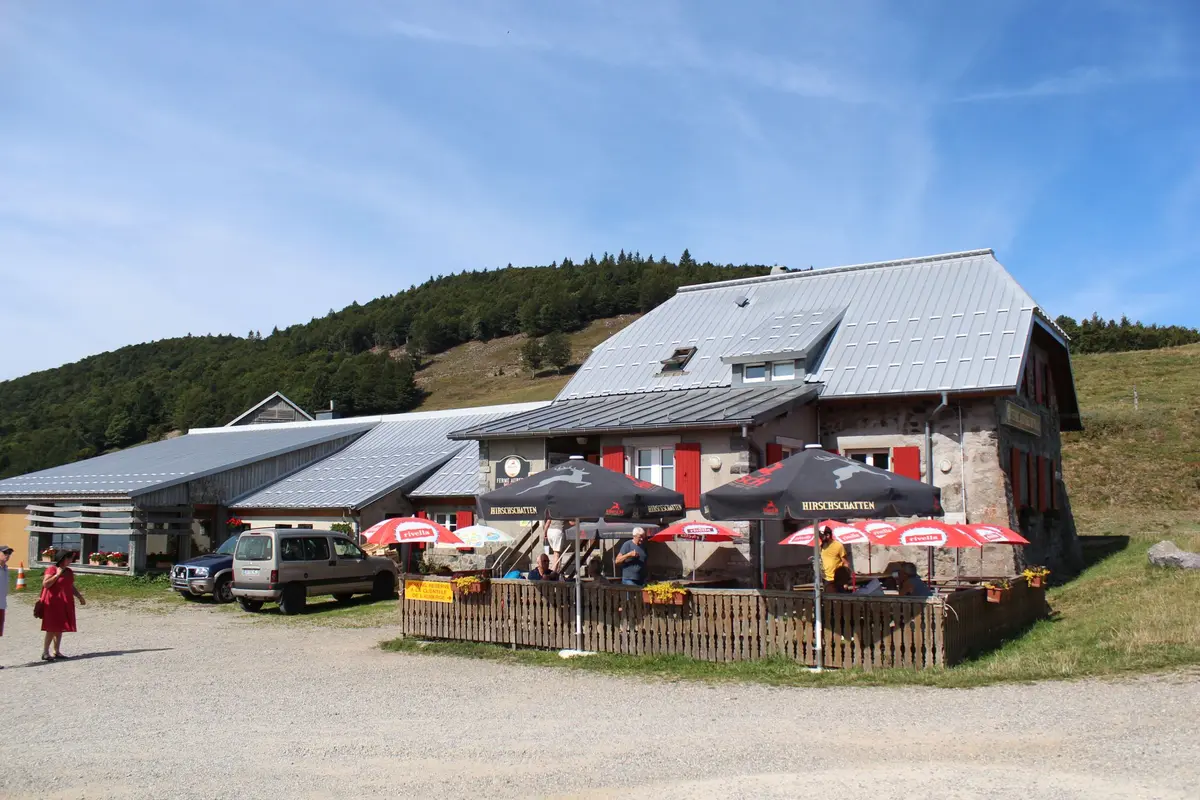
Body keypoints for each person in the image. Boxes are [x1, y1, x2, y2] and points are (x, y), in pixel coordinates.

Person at [40, 549, 86, 661]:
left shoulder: (69, 571)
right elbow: (46, 584)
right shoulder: (52, 569)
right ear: (62, 559)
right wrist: (57, 575)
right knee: (51, 627)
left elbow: (70, 586)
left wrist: (79, 596)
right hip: (52, 602)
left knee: (60, 627)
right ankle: (45, 652)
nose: (71, 560)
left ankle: (56, 651)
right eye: (69, 558)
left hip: (65, 602)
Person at [819, 527, 850, 593]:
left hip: (839, 579)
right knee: (829, 601)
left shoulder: (838, 545)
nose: (820, 538)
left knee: (840, 600)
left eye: (821, 536)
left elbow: (846, 563)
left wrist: (845, 582)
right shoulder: (821, 546)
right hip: (827, 579)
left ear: (828, 535)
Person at [0, 545, 11, 668]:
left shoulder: (5, 568)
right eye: (4, 553)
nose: (7, 556)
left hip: (1, 604)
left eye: (9, 554)